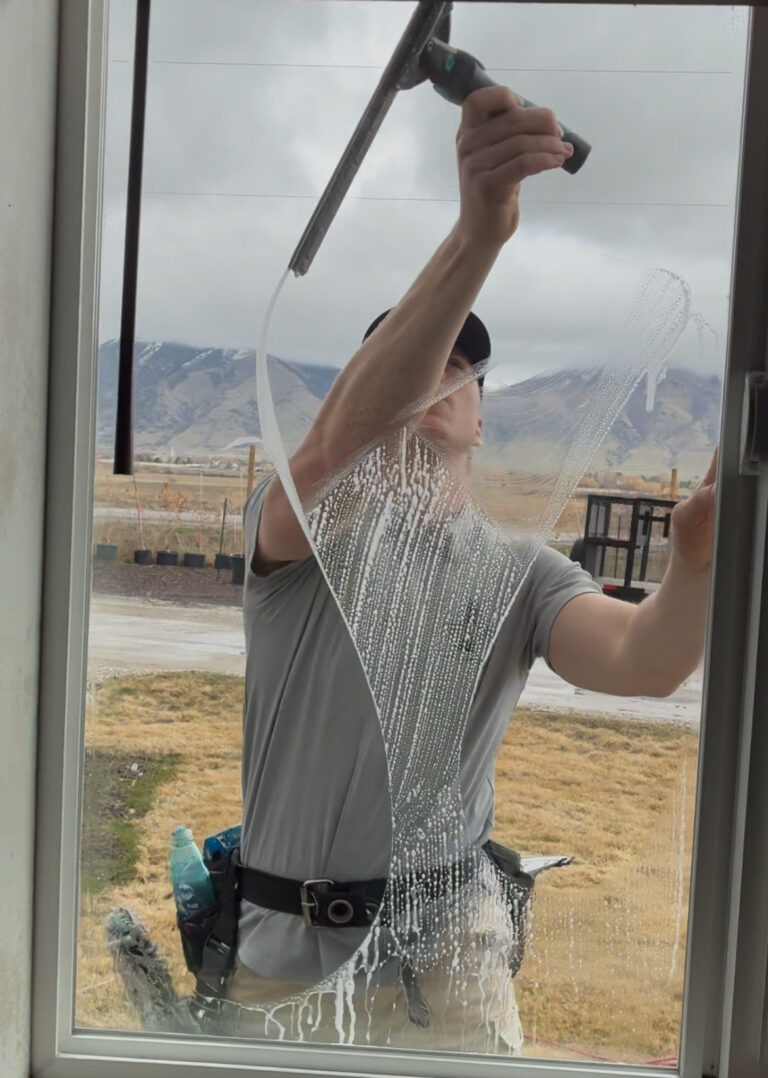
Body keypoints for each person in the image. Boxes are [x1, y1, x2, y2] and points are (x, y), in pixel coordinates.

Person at [226, 86, 716, 1050]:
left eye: (465, 369)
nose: (440, 371)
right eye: (411, 357)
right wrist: (477, 238)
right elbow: (331, 447)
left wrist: (697, 566)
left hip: (451, 970)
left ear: (484, 421)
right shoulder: (303, 536)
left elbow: (643, 661)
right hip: (278, 968)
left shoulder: (520, 574)